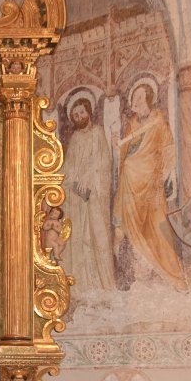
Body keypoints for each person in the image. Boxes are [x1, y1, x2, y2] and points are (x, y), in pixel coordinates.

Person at [114, 81, 186, 290]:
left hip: (151, 184)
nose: (134, 102)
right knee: (131, 229)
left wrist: (168, 174)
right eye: (133, 98)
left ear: (148, 99)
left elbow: (168, 148)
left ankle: (171, 274)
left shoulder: (158, 122)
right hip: (130, 187)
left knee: (157, 226)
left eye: (139, 98)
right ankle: (138, 274)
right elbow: (125, 154)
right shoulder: (132, 125)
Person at [62, 94, 114, 289]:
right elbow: (69, 166)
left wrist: (89, 178)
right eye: (75, 115)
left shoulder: (98, 133)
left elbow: (104, 161)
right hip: (78, 195)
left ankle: (102, 285)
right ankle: (83, 284)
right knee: (80, 237)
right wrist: (72, 181)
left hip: (94, 195)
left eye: (81, 112)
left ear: (88, 112)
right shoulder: (75, 138)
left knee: (96, 237)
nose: (79, 116)